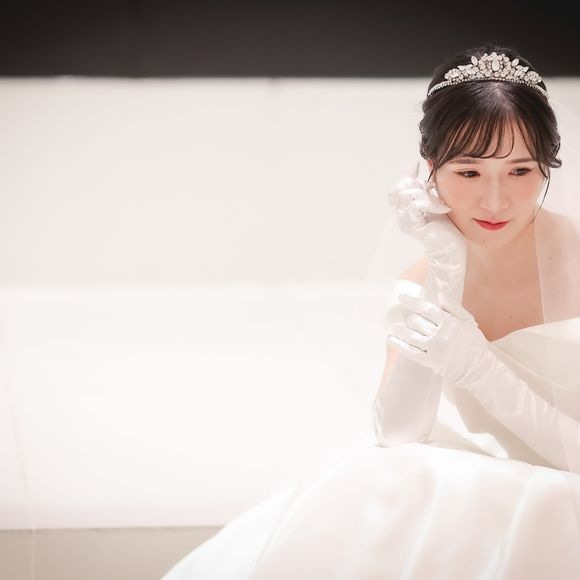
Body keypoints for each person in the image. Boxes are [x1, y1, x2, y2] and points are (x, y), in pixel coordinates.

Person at [162, 44, 580, 579]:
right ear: (430, 169)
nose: (496, 202)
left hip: (561, 488)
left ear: (547, 167)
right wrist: (445, 273)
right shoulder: (425, 276)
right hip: (489, 481)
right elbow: (398, 432)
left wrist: (477, 367)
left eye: (520, 171)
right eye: (470, 173)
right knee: (396, 476)